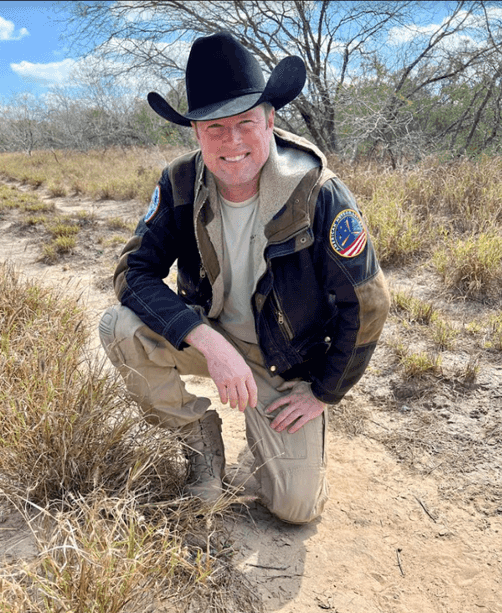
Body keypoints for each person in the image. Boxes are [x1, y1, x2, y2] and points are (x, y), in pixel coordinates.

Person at [99, 32, 390, 524]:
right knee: (117, 327)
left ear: (270, 121)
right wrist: (209, 344)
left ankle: (287, 443)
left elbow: (368, 305)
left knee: (295, 510)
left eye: (245, 123)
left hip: (284, 359)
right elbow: (134, 272)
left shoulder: (318, 194)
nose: (232, 142)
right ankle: (200, 445)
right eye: (215, 128)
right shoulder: (179, 183)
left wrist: (323, 392)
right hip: (211, 335)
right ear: (195, 132)